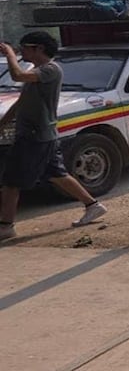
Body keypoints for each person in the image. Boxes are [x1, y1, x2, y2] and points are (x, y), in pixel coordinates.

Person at [0, 32, 108, 241]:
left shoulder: (50, 70)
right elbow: (22, 100)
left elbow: (17, 76)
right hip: (40, 134)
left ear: (39, 49)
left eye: (25, 48)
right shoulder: (37, 71)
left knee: (11, 181)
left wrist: (10, 54)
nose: (22, 52)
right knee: (55, 173)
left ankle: (5, 226)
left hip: (36, 135)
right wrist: (3, 123)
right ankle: (93, 205)